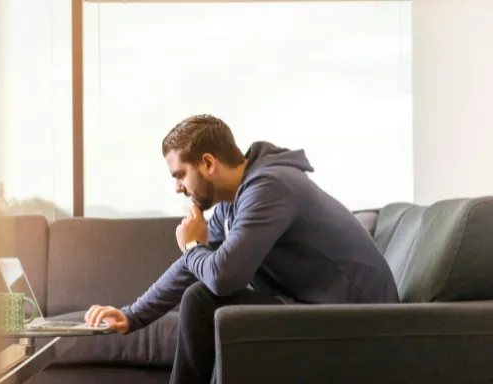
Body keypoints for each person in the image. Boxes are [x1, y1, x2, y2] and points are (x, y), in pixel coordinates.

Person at [84, 114, 399, 384]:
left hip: (358, 320)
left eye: (180, 174)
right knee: (198, 297)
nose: (177, 187)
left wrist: (193, 246)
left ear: (208, 163)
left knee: (202, 300)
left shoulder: (270, 187)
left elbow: (224, 277)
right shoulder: (235, 203)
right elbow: (189, 270)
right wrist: (132, 315)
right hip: (316, 308)